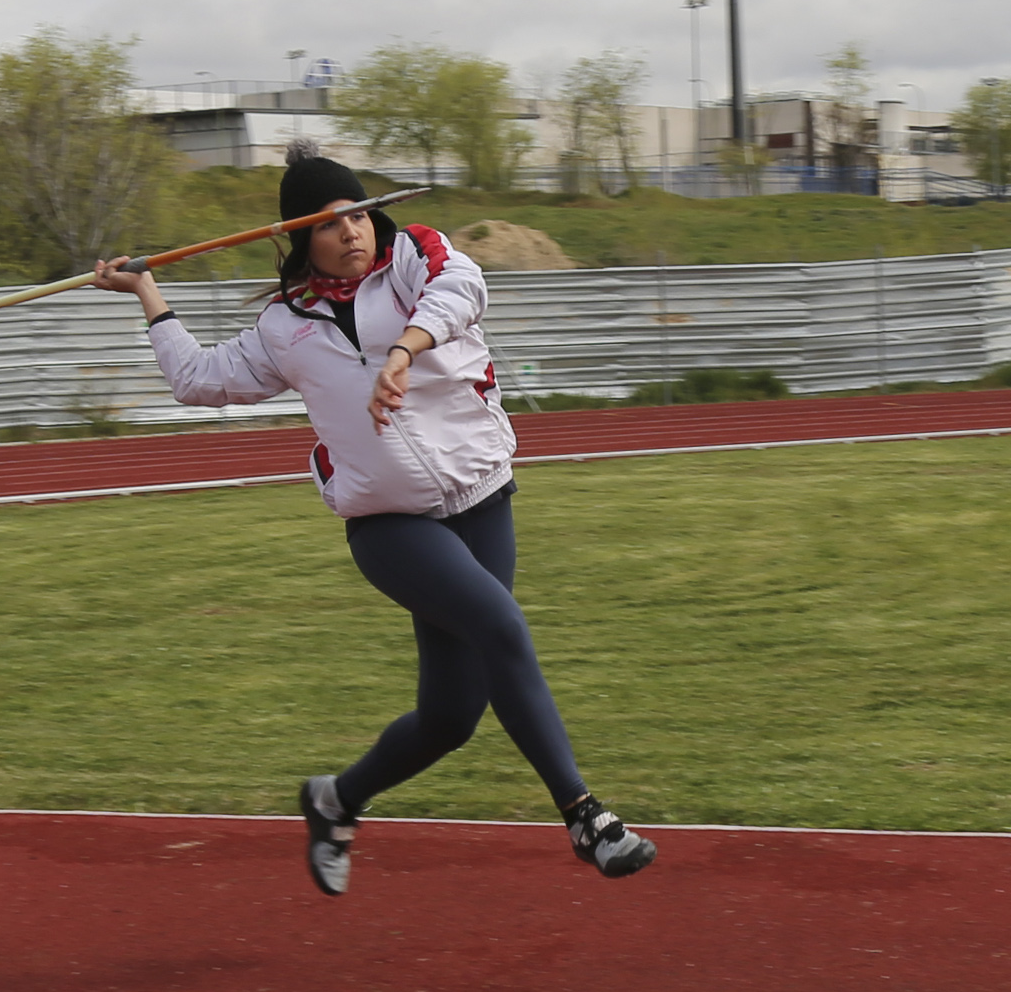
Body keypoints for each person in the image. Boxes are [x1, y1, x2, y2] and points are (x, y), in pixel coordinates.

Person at [93, 139, 656, 896]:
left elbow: (463, 292)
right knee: (500, 625)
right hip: (390, 524)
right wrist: (147, 293)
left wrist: (403, 352)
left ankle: (336, 800)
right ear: (302, 239)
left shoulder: (419, 257)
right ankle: (585, 817)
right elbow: (197, 380)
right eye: (330, 223)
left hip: (483, 499)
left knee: (451, 717)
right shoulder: (284, 326)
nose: (352, 230)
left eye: (358, 213)